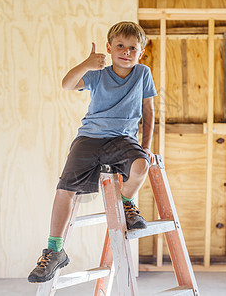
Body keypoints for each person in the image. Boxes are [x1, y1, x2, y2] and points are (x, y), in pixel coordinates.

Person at [28, 21, 157, 283]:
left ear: (140, 52)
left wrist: (146, 146)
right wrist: (87, 64)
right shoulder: (98, 74)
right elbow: (67, 84)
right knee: (65, 189)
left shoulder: (143, 73)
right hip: (89, 138)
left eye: (133, 48)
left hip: (123, 138)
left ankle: (126, 203)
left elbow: (149, 112)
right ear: (109, 48)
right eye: (120, 46)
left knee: (142, 166)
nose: (126, 51)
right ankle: (54, 250)